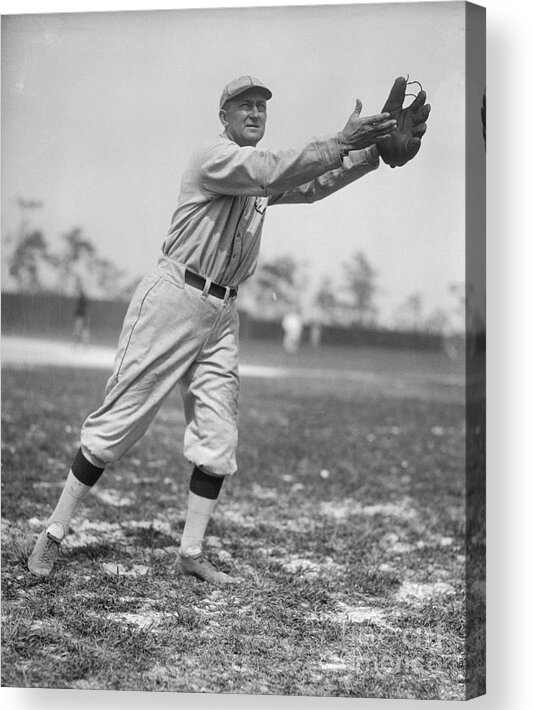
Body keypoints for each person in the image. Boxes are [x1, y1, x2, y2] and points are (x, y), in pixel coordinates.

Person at [28, 74, 406, 584]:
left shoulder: (256, 182)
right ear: (223, 117)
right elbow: (273, 171)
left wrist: (371, 155)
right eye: (243, 106)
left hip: (221, 312)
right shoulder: (215, 157)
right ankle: (53, 532)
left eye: (261, 107)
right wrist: (340, 142)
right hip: (173, 298)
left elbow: (308, 186)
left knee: (218, 435)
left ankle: (190, 552)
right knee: (118, 425)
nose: (254, 113)